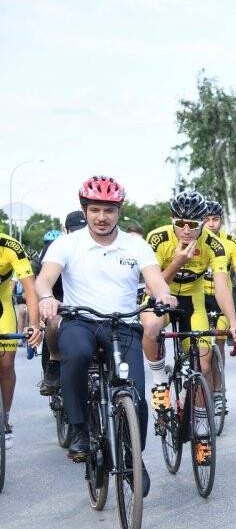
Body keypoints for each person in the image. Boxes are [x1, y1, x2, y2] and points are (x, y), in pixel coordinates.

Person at [34, 176, 177, 496]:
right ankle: (81, 429)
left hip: (123, 325)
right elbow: (45, 279)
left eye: (109, 210)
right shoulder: (67, 244)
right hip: (79, 322)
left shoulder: (135, 245)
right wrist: (46, 297)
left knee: (137, 398)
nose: (102, 217)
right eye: (95, 209)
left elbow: (155, 281)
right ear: (84, 211)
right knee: (78, 356)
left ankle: (132, 457)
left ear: (118, 212)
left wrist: (164, 295)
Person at [140, 191, 236, 423]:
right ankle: (159, 382)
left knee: (204, 365)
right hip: (161, 295)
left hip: (192, 301)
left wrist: (234, 321)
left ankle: (199, 426)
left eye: (193, 225)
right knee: (151, 326)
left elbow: (221, 286)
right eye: (180, 224)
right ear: (172, 221)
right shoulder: (158, 238)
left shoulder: (214, 245)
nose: (186, 230)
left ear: (203, 223)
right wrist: (178, 261)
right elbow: (151, 286)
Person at [201, 199, 236, 416]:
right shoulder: (196, 241)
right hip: (199, 297)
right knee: (199, 348)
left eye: (215, 219)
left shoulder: (231, 243)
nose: (211, 224)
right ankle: (200, 386)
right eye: (206, 220)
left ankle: (219, 392)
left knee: (219, 345)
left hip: (223, 299)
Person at [0, 227, 42, 444]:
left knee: (6, 365)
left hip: (2, 305)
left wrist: (34, 325)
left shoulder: (10, 247)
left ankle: (4, 418)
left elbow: (30, 289)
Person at [37, 212, 86, 395]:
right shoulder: (55, 247)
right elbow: (42, 278)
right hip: (58, 297)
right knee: (52, 323)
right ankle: (52, 368)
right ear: (66, 230)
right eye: (74, 231)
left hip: (88, 302)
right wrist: (47, 299)